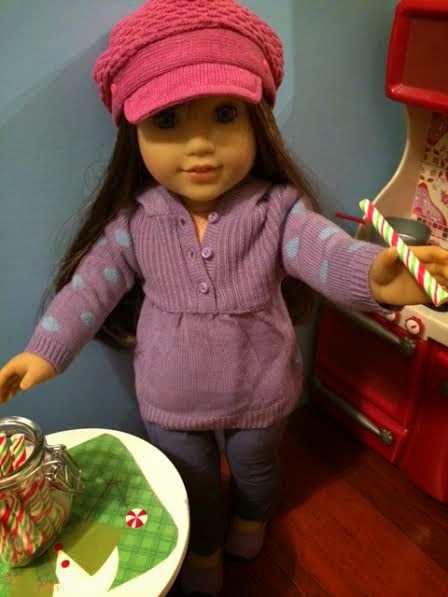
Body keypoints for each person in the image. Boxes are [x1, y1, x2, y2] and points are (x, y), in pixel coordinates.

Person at [1, 1, 448, 594]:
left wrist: (380, 277)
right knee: (191, 482)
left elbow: (327, 253)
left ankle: (250, 521)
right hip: (170, 397)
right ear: (133, 135)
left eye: (224, 114)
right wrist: (44, 351)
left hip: (261, 387)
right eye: (167, 121)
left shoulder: (277, 210)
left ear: (256, 121)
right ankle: (205, 549)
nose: (199, 146)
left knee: (257, 471)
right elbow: (89, 288)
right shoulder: (135, 223)